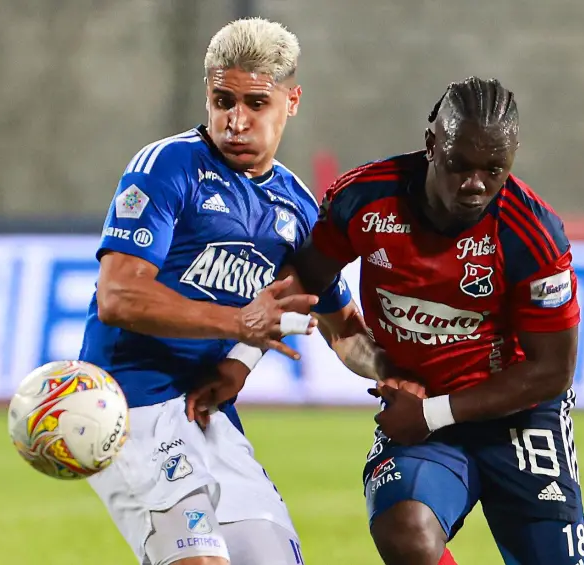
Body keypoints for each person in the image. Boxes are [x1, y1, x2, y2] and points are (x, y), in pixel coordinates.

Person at [189, 77, 584, 565]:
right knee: (405, 534)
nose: (475, 184)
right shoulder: (366, 198)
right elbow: (302, 282)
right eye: (459, 164)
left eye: (494, 169)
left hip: (516, 416)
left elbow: (552, 371)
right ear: (431, 144)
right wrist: (241, 361)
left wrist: (434, 413)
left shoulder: (533, 233)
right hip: (420, 407)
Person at [78, 17, 350, 565]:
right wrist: (236, 326)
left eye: (255, 103)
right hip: (130, 406)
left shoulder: (297, 206)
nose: (236, 120)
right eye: (223, 100)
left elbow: (343, 329)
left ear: (291, 101)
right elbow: (119, 297)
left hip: (207, 412)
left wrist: (409, 380)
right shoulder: (167, 166)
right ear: (208, 95)